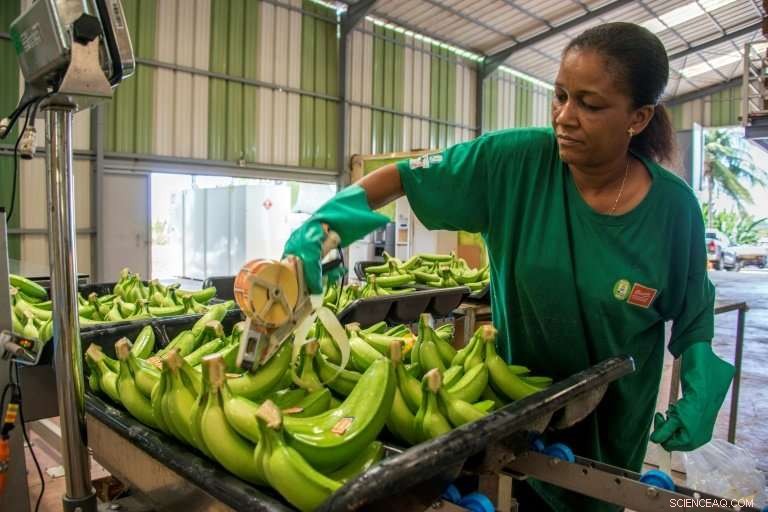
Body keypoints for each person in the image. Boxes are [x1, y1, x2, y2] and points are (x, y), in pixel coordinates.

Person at [283, 22, 734, 511]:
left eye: (589, 104)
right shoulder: (515, 163)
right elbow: (401, 178)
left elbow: (692, 312)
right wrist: (322, 228)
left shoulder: (673, 209)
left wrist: (699, 381)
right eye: (560, 96)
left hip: (613, 426)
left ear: (638, 118)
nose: (565, 117)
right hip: (517, 413)